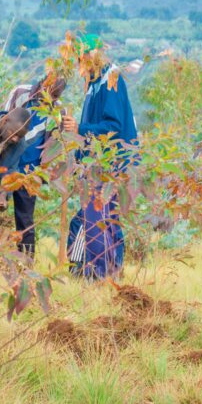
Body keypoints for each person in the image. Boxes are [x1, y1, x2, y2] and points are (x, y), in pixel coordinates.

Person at [63, 34, 138, 280]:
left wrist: (80, 129)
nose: (79, 65)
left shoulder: (110, 79)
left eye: (81, 58)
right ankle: (105, 276)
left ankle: (98, 276)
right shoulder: (94, 84)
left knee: (97, 219)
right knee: (102, 221)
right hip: (96, 165)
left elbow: (113, 127)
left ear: (93, 55)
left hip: (111, 164)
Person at [0, 75, 68, 257]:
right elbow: (2, 124)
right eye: (48, 92)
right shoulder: (20, 93)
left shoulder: (58, 110)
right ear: (42, 83)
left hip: (29, 173)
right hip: (5, 165)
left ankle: (27, 263)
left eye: (55, 96)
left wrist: (42, 171)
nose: (50, 98)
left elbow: (53, 144)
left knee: (25, 219)